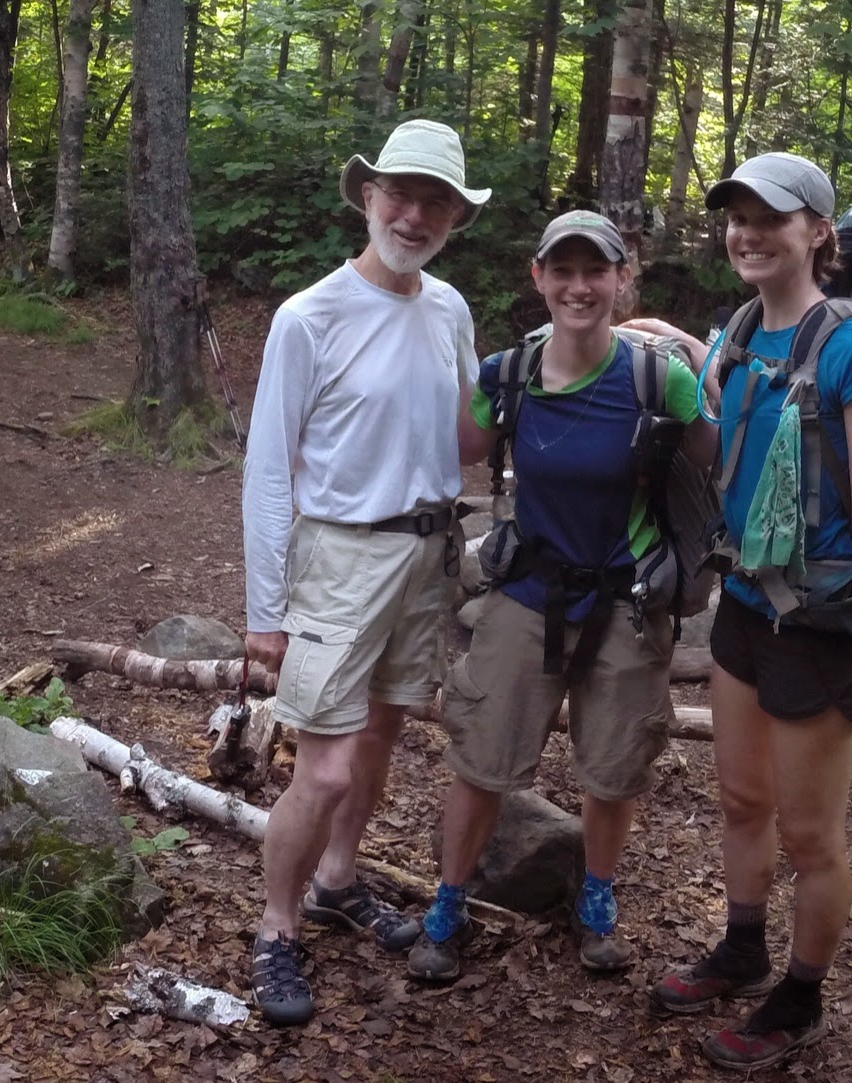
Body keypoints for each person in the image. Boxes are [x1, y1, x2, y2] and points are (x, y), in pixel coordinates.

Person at [637, 153, 852, 1072]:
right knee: (741, 799)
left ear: (818, 231)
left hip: (823, 623)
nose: (748, 233)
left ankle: (800, 999)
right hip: (743, 605)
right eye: (736, 217)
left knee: (809, 835)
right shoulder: (737, 330)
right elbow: (725, 447)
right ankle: (742, 947)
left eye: (770, 217)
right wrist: (676, 355)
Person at [405, 210, 716, 983]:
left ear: (621, 280)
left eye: (596, 271)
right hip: (527, 592)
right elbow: (461, 447)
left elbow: (716, 455)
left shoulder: (658, 379)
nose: (580, 287)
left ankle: (596, 899)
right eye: (563, 271)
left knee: (612, 767)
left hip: (627, 600)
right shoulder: (507, 375)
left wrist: (697, 354)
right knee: (482, 757)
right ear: (538, 277)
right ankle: (449, 901)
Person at [241, 118, 490, 1027]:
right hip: (339, 558)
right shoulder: (309, 316)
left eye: (435, 203)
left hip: (427, 553)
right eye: (401, 196)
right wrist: (264, 609)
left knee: (381, 733)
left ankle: (338, 882)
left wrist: (576, 361)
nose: (414, 216)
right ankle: (276, 926)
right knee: (328, 766)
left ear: (455, 217)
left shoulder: (449, 308)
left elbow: (469, 436)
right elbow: (269, 470)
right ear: (369, 198)